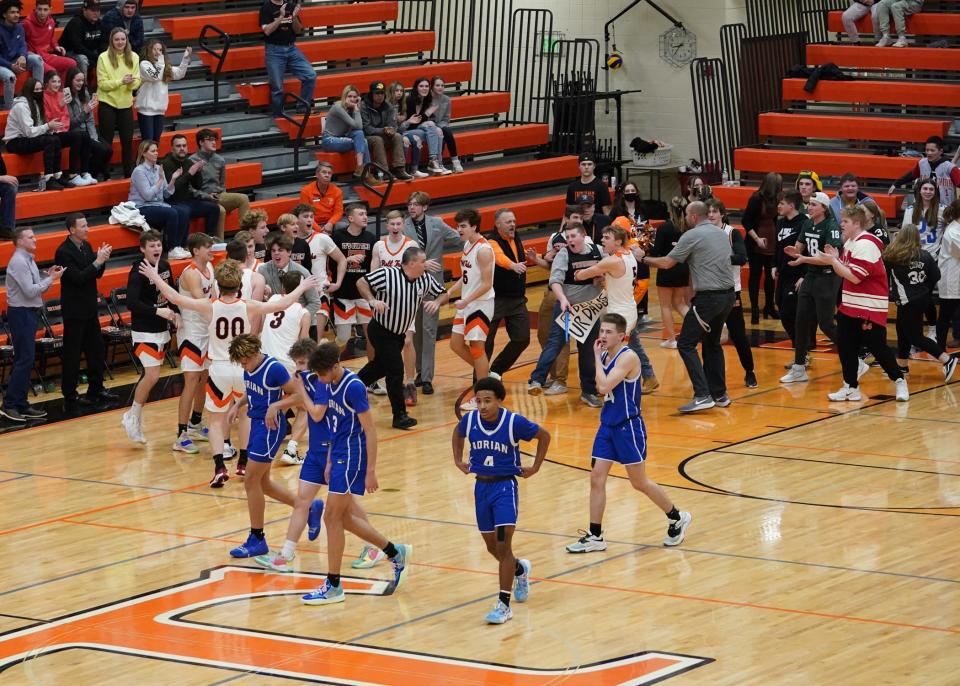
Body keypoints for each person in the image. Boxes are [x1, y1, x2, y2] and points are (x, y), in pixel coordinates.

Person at [139, 258, 319, 485]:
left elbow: (175, 298)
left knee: (216, 420)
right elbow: (281, 305)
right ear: (239, 287)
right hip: (244, 368)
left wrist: (155, 278)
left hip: (219, 368)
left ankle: (219, 467)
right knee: (245, 416)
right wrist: (302, 287)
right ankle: (243, 463)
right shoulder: (248, 305)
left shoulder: (210, 305)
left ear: (217, 285)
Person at [565, 313, 692, 553]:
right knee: (596, 478)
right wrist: (598, 357)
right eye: (601, 331)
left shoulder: (629, 357)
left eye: (608, 332)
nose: (602, 336)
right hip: (607, 426)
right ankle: (595, 535)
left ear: (622, 336)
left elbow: (602, 387)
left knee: (639, 482)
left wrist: (593, 356)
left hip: (628, 427)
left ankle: (677, 517)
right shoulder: (604, 354)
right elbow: (601, 385)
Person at [299, 342, 412, 605]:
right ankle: (395, 552)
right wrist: (328, 459)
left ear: (336, 367)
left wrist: (371, 470)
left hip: (353, 455)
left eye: (322, 374)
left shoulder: (354, 386)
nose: (320, 379)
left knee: (331, 516)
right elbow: (333, 426)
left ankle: (334, 584)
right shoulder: (327, 383)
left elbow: (371, 431)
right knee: (344, 518)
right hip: (337, 453)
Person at [452, 376, 550, 624]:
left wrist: (536, 466)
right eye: (479, 401)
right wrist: (457, 459)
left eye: (488, 401)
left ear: (499, 401)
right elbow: (457, 433)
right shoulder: (471, 419)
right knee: (491, 547)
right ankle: (519, 569)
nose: (483, 406)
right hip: (480, 488)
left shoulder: (514, 422)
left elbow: (544, 436)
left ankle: (504, 604)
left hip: (505, 488)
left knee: (504, 546)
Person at [789, 206, 909, 401]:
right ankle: (850, 386)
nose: (840, 225)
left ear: (856, 223)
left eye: (844, 222)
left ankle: (899, 381)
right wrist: (830, 259)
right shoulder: (851, 242)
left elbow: (854, 277)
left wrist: (834, 261)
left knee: (878, 348)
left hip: (869, 306)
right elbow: (842, 269)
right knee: (846, 347)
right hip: (851, 304)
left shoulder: (867, 244)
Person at [636, 201, 735, 412]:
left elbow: (666, 263)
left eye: (687, 215)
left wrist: (643, 258)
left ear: (693, 217)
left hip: (709, 298)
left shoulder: (691, 235)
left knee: (686, 344)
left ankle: (702, 394)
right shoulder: (721, 233)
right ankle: (719, 394)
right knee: (712, 344)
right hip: (727, 297)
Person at [219, 333, 303, 559]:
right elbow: (253, 389)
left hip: (270, 429)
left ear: (255, 354)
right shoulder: (251, 365)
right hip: (255, 424)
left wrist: (276, 405)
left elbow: (299, 395)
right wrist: (237, 405)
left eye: (245, 362)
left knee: (250, 480)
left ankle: (257, 538)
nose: (243, 366)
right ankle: (306, 507)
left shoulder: (274, 368)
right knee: (262, 483)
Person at [356, 246, 448, 430]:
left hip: (398, 334)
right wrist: (372, 300)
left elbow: (443, 292)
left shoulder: (425, 279)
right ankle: (399, 415)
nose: (426, 265)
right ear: (412, 263)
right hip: (381, 329)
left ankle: (351, 385)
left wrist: (437, 302)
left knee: (379, 367)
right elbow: (361, 282)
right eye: (423, 262)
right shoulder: (387, 274)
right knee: (396, 371)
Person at [574, 224, 660, 393]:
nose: (602, 240)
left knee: (614, 352)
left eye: (607, 238)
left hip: (619, 314)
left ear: (618, 241)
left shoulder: (612, 260)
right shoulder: (629, 255)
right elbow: (619, 278)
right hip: (628, 309)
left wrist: (577, 274)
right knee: (633, 345)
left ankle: (612, 386)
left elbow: (584, 274)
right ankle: (649, 376)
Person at [527, 222, 605, 408]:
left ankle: (589, 391)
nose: (569, 240)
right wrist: (562, 299)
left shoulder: (598, 250)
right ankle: (536, 380)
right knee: (556, 342)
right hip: (567, 308)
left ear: (583, 236)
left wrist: (602, 278)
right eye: (567, 237)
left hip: (590, 310)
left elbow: (610, 269)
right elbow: (555, 281)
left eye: (573, 236)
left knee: (587, 352)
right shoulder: (564, 254)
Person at [0, 228, 64, 422]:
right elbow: (30, 292)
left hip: (28, 313)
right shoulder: (19, 262)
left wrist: (48, 277)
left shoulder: (28, 259)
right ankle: (9, 404)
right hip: (21, 313)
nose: (35, 239)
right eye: (30, 237)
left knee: (26, 359)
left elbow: (36, 291)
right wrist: (51, 279)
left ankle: (21, 403)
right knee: (23, 359)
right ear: (19, 241)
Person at [54, 212, 115, 409]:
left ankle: (96, 388)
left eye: (87, 224)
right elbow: (79, 278)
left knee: (96, 350)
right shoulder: (63, 252)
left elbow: (96, 275)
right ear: (72, 229)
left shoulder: (87, 246)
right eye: (83, 226)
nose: (87, 228)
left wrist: (102, 260)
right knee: (73, 353)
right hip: (74, 310)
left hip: (90, 308)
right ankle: (70, 394)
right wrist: (97, 261)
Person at [780, 192, 843, 383]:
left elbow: (829, 259)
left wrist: (803, 259)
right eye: (809, 204)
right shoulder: (807, 223)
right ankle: (799, 367)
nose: (809, 207)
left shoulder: (831, 227)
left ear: (823, 208)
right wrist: (794, 251)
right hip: (811, 276)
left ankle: (854, 355)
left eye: (814, 204)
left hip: (827, 278)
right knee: (801, 321)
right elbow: (799, 247)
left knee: (825, 324)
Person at [884, 224, 958, 381]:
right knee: (902, 332)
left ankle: (947, 360)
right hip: (923, 299)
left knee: (915, 337)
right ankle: (902, 366)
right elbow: (936, 276)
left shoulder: (894, 256)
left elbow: (883, 271)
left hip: (907, 301)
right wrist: (923, 288)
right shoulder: (925, 255)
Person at [122, 230, 176, 439]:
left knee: (152, 376)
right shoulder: (137, 271)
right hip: (144, 331)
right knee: (152, 375)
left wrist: (176, 314)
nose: (156, 249)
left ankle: (133, 415)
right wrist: (157, 310)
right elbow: (132, 303)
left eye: (158, 245)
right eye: (152, 246)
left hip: (162, 329)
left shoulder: (164, 266)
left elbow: (171, 294)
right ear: (143, 249)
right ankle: (133, 416)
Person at [403, 191, 459, 393]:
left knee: (428, 330)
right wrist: (424, 264)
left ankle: (426, 377)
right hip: (408, 285)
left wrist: (477, 244)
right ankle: (418, 372)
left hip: (431, 285)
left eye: (416, 204)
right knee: (413, 330)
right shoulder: (403, 225)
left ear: (425, 207)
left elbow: (459, 238)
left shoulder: (438, 224)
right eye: (410, 204)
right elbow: (400, 255)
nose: (412, 208)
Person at [169, 232, 216, 454]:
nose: (211, 250)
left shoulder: (210, 269)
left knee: (204, 379)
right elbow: (201, 303)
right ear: (196, 250)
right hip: (191, 333)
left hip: (206, 331)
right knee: (191, 381)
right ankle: (181, 434)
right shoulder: (191, 274)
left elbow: (213, 299)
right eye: (207, 247)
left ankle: (196, 423)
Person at [527, 205, 580, 393]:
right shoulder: (554, 238)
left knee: (562, 338)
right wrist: (536, 259)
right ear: (565, 218)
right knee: (543, 335)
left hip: (569, 295)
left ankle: (560, 380)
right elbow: (549, 267)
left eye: (580, 218)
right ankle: (552, 374)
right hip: (550, 292)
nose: (578, 220)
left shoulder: (585, 242)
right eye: (574, 217)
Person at [447, 209, 495, 408]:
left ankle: (481, 395)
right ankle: (487, 375)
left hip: (481, 304)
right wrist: (451, 291)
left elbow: (486, 283)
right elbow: (467, 275)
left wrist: (465, 301)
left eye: (463, 226)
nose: (459, 229)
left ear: (474, 226)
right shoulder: (468, 244)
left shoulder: (483, 249)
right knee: (455, 344)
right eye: (458, 226)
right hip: (467, 303)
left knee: (477, 348)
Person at [707, 199, 756, 388]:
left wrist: (719, 258)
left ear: (722, 214)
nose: (711, 214)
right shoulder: (703, 234)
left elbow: (742, 258)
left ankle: (749, 371)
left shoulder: (731, 233)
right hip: (709, 291)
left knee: (738, 335)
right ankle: (711, 378)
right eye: (708, 211)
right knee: (710, 337)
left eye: (714, 211)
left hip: (730, 291)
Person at [371, 210, 417, 404]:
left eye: (399, 224)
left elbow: (416, 270)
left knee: (407, 341)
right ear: (387, 225)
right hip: (384, 302)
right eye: (393, 224)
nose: (396, 228)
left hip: (406, 300)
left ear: (403, 225)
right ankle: (390, 379)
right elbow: (373, 273)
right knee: (387, 345)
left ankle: (410, 383)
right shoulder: (379, 245)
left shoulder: (411, 245)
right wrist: (373, 297)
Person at [484, 208, 532, 379]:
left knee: (522, 338)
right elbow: (499, 257)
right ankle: (478, 383)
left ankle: (496, 371)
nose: (513, 224)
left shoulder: (516, 236)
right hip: (496, 300)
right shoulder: (491, 241)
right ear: (498, 224)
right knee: (486, 344)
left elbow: (519, 256)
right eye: (508, 222)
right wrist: (513, 266)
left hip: (517, 299)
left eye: (513, 221)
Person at [3, 77, 71, 190]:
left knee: (56, 138)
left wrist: (50, 128)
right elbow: (29, 132)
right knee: (49, 140)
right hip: (14, 142)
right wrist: (48, 126)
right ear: (29, 90)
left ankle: (57, 176)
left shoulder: (35, 103)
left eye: (40, 89)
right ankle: (48, 179)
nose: (39, 92)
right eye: (36, 90)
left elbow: (38, 127)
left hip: (27, 138)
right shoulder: (21, 106)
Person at [129, 139, 189, 259]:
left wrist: (172, 179)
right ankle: (172, 248)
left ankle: (180, 246)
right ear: (144, 153)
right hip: (142, 207)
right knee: (171, 213)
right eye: (153, 151)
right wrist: (161, 180)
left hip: (158, 204)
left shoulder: (158, 168)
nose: (156, 153)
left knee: (184, 211)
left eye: (157, 150)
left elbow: (166, 194)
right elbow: (147, 195)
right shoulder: (138, 171)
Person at [331, 204, 376, 350]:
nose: (365, 217)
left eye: (365, 214)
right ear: (351, 218)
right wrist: (347, 260)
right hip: (343, 293)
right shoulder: (337, 237)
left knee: (372, 337)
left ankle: (373, 369)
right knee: (343, 338)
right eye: (361, 214)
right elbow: (330, 262)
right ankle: (330, 363)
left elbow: (373, 265)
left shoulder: (370, 237)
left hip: (364, 294)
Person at [190, 128, 251, 238]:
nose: (214, 142)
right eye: (210, 139)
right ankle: (220, 244)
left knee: (244, 198)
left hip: (219, 195)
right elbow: (189, 188)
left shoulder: (220, 160)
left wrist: (221, 197)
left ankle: (245, 237)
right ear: (201, 142)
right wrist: (207, 196)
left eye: (215, 140)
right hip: (203, 198)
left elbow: (222, 184)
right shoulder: (191, 161)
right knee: (220, 210)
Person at [260, 0, 315, 117]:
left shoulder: (290, 5)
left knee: (310, 75)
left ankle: (302, 108)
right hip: (274, 50)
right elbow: (267, 31)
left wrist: (294, 17)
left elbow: (298, 30)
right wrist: (281, 16)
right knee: (277, 88)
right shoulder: (266, 8)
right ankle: (278, 116)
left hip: (291, 48)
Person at [42, 70, 97, 186]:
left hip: (64, 129)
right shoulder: (43, 97)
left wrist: (62, 108)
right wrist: (60, 106)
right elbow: (49, 119)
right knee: (77, 135)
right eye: (53, 82)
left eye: (58, 82)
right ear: (47, 83)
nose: (57, 84)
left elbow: (66, 117)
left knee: (84, 134)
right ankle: (73, 174)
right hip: (51, 132)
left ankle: (85, 172)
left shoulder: (62, 95)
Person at [96, 27, 139, 177]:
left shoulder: (134, 56)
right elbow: (102, 84)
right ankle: (105, 174)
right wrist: (121, 81)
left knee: (127, 142)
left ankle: (129, 174)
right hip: (107, 103)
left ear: (126, 40)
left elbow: (137, 81)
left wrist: (130, 84)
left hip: (126, 104)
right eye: (117, 39)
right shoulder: (103, 57)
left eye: (123, 39)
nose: (120, 42)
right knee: (106, 143)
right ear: (111, 41)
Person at [161, 133, 221, 238]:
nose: (182, 148)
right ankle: (182, 245)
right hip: (173, 202)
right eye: (178, 146)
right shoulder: (166, 164)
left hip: (188, 201)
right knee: (184, 211)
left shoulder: (188, 162)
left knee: (214, 208)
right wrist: (190, 173)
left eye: (184, 146)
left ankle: (208, 239)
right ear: (172, 148)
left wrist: (198, 172)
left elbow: (197, 186)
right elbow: (172, 189)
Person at [773, 190, 811, 353]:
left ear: (791, 205)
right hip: (783, 274)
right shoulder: (780, 223)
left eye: (781, 203)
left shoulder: (804, 222)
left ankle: (803, 350)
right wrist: (774, 265)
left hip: (797, 275)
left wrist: (804, 276)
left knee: (790, 312)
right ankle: (800, 349)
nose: (778, 206)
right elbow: (777, 247)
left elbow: (809, 251)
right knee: (781, 308)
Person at [651, 197, 690, 348]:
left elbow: (657, 251)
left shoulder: (665, 227)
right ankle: (699, 329)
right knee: (679, 303)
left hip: (667, 268)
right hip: (682, 268)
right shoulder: (688, 228)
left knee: (665, 305)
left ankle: (672, 340)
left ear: (670, 210)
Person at [742, 172, 781, 323]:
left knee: (770, 277)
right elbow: (746, 221)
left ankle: (769, 307)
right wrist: (757, 239)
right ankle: (754, 310)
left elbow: (776, 219)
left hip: (772, 239)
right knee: (755, 276)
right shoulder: (756, 198)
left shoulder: (776, 198)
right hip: (756, 241)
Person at [256, 232, 322, 319]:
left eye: (280, 250)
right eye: (273, 250)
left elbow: (315, 302)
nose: (276, 253)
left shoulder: (302, 272)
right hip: (275, 324)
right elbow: (259, 302)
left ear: (289, 252)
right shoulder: (262, 270)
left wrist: (298, 319)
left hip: (300, 323)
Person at [135, 39, 190, 143]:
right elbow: (155, 76)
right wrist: (161, 63)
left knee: (156, 143)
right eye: (154, 49)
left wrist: (185, 59)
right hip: (146, 110)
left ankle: (152, 160)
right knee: (148, 143)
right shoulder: (144, 64)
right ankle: (144, 159)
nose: (158, 52)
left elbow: (180, 74)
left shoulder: (164, 67)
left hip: (160, 110)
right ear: (149, 50)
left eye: (160, 50)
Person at [64, 66, 112, 182]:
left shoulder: (84, 93)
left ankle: (93, 173)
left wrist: (93, 136)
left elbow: (90, 119)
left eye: (82, 80)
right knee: (102, 150)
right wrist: (84, 111)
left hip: (88, 131)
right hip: (76, 133)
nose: (80, 83)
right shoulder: (66, 96)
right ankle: (98, 174)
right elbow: (70, 123)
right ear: (71, 80)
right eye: (77, 80)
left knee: (108, 149)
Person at [360, 80, 413, 181]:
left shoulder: (388, 106)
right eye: (377, 93)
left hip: (383, 134)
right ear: (371, 94)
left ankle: (400, 169)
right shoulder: (364, 106)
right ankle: (383, 171)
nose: (380, 96)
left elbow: (392, 125)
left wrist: (392, 130)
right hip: (367, 137)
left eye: (382, 93)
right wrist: (383, 130)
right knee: (377, 139)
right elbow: (367, 128)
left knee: (397, 136)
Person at [888, 136, 960, 206]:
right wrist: (896, 184)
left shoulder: (950, 167)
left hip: (944, 208)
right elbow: (912, 174)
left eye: (932, 150)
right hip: (925, 206)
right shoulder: (922, 163)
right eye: (927, 150)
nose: (929, 153)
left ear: (940, 151)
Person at [322, 85, 373, 181]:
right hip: (329, 141)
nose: (352, 99)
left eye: (355, 97)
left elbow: (359, 129)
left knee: (360, 136)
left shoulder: (352, 108)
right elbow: (358, 125)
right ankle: (363, 170)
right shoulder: (338, 108)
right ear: (344, 97)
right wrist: (357, 110)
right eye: (349, 96)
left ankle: (363, 170)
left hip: (342, 138)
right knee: (362, 140)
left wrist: (356, 109)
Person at [0, 0, 43, 110]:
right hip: (3, 64)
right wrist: (11, 66)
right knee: (10, 77)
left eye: (17, 12)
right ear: (4, 14)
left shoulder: (20, 27)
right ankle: (9, 109)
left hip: (15, 61)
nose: (16, 15)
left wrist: (23, 56)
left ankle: (38, 99)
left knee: (37, 59)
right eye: (12, 12)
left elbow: (23, 45)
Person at [23, 0, 76, 83]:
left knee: (72, 63)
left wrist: (56, 46)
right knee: (53, 73)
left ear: (50, 9)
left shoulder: (51, 22)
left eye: (45, 9)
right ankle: (46, 94)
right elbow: (21, 43)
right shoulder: (26, 23)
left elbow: (52, 38)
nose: (42, 12)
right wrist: (28, 52)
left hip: (47, 55)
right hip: (35, 57)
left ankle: (60, 92)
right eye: (39, 9)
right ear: (35, 9)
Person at [405, 76, 448, 175]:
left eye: (427, 86)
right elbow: (414, 121)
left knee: (438, 130)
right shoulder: (410, 100)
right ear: (416, 88)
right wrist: (427, 114)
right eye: (421, 86)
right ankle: (434, 161)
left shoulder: (426, 100)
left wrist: (428, 114)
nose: (424, 88)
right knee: (431, 126)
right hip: (406, 130)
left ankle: (438, 163)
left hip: (419, 129)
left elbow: (421, 121)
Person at [388, 80, 427, 178]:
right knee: (405, 141)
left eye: (401, 91)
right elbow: (394, 130)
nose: (399, 93)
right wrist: (408, 122)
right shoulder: (388, 106)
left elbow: (400, 129)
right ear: (391, 92)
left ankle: (414, 169)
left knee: (417, 139)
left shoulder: (402, 105)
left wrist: (407, 122)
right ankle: (401, 170)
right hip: (390, 134)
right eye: (396, 91)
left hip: (400, 131)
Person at [936, 199, 960, 350]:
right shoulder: (953, 231)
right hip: (951, 280)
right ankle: (939, 348)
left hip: (956, 277)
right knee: (945, 315)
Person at [427, 75, 462, 173]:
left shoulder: (446, 99)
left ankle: (455, 161)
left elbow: (446, 118)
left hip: (441, 124)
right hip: (428, 125)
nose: (440, 87)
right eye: (437, 85)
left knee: (446, 131)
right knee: (440, 132)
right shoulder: (426, 98)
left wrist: (440, 126)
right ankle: (438, 163)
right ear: (432, 87)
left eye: (442, 85)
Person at [902, 178, 945, 255]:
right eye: (925, 189)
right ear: (920, 191)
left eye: (931, 189)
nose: (928, 192)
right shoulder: (910, 210)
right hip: (915, 254)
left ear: (935, 192)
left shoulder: (943, 210)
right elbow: (905, 234)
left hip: (934, 255)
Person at [60, 0, 102, 78]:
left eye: (98, 10)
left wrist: (102, 55)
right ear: (84, 10)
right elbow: (77, 47)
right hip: (69, 52)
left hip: (89, 51)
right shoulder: (76, 23)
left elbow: (102, 42)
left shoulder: (99, 23)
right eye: (93, 10)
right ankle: (83, 87)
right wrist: (95, 56)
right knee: (82, 59)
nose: (96, 13)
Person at [298, 161, 343, 234]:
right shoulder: (306, 191)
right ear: (317, 175)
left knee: (344, 227)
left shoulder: (337, 191)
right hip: (312, 224)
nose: (327, 175)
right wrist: (320, 231)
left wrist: (330, 223)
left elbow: (338, 212)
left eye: (329, 173)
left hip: (329, 224)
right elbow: (304, 214)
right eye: (324, 172)